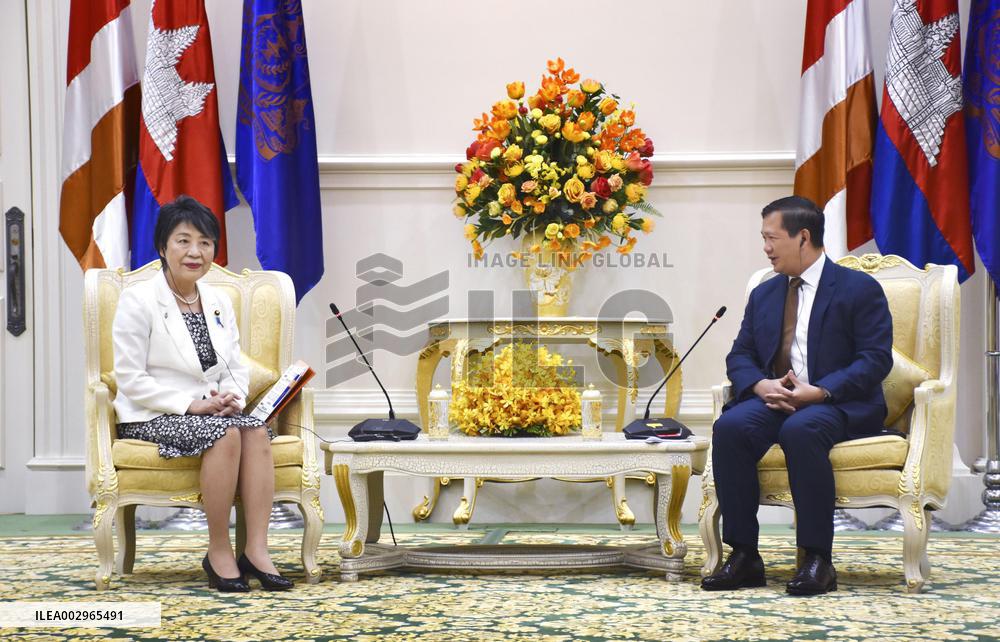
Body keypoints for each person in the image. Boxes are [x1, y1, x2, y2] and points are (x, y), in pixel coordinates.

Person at [701, 195, 892, 596]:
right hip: (776, 399)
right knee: (731, 427)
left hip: (835, 402)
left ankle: (817, 559)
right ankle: (745, 556)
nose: (765, 248)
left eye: (771, 238)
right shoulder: (765, 293)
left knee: (801, 430)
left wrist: (820, 391)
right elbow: (740, 355)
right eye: (763, 238)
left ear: (803, 237)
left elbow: (875, 360)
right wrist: (761, 385)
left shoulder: (859, 289)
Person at [113, 195, 293, 592]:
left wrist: (230, 398)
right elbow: (129, 378)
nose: (195, 252)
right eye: (183, 241)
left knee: (254, 431)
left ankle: (256, 550)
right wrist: (191, 405)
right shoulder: (138, 300)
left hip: (209, 410)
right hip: (152, 414)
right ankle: (219, 551)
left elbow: (233, 365)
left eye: (205, 242)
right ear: (163, 247)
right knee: (226, 434)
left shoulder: (216, 300)